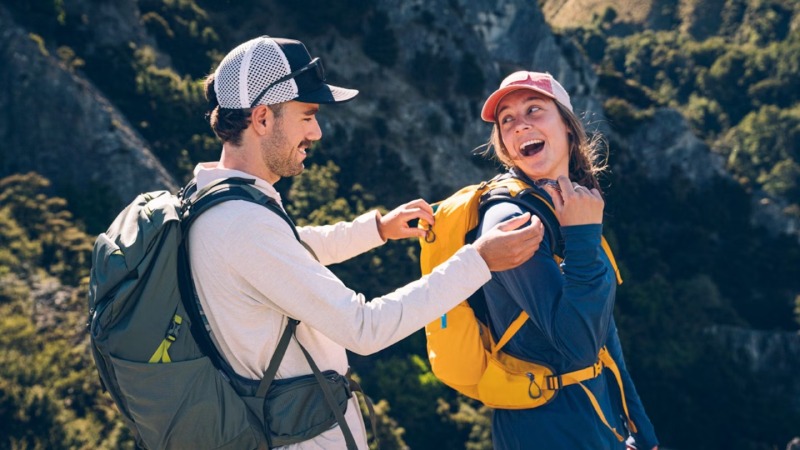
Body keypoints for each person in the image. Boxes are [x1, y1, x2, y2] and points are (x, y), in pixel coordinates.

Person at [189, 36, 545, 449]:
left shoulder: (213, 204)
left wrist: (377, 229)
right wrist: (479, 261)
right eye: (307, 116)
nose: (316, 133)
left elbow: (293, 247)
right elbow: (364, 328)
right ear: (263, 118)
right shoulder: (244, 225)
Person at [475, 71, 659, 449]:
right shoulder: (509, 220)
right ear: (506, 146)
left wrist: (641, 430)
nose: (520, 123)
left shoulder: (575, 207)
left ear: (568, 128)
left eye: (534, 109)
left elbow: (605, 336)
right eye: (507, 119)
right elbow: (576, 346)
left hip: (598, 425)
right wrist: (583, 237)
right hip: (544, 430)